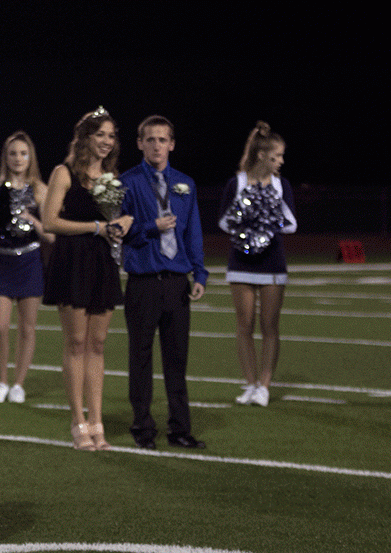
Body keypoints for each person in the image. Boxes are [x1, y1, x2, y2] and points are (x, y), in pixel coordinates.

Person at [41, 108, 133, 451]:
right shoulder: (63, 172)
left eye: (111, 136)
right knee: (76, 343)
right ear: (86, 138)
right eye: (101, 135)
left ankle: (97, 421)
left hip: (102, 262)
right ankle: (77, 421)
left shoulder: (113, 177)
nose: (107, 142)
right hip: (73, 260)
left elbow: (122, 217)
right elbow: (50, 221)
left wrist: (125, 222)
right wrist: (96, 228)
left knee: (97, 344)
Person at [120, 115, 208, 450]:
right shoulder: (126, 183)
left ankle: (180, 429)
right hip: (142, 281)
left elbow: (192, 232)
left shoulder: (185, 183)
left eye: (163, 139)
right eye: (150, 139)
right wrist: (150, 227)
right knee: (140, 357)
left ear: (172, 143)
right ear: (140, 143)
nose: (157, 145)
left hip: (176, 283)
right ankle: (143, 427)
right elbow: (122, 232)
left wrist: (199, 273)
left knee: (177, 359)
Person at [218, 121, 296, 407]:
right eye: (277, 156)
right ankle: (250, 384)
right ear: (263, 155)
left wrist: (266, 220)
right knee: (244, 324)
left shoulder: (281, 185)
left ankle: (264, 386)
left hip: (273, 263)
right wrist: (246, 224)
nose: (281, 162)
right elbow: (224, 221)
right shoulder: (237, 183)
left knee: (269, 325)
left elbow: (291, 224)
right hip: (241, 261)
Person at [0, 132, 52, 404]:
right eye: (13, 153)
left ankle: (19, 384)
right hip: (0, 260)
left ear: (30, 157)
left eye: (23, 153)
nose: (18, 158)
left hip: (29, 260)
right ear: (6, 157)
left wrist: (32, 220)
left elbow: (52, 234)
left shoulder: (41, 189)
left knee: (27, 328)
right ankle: (0, 381)